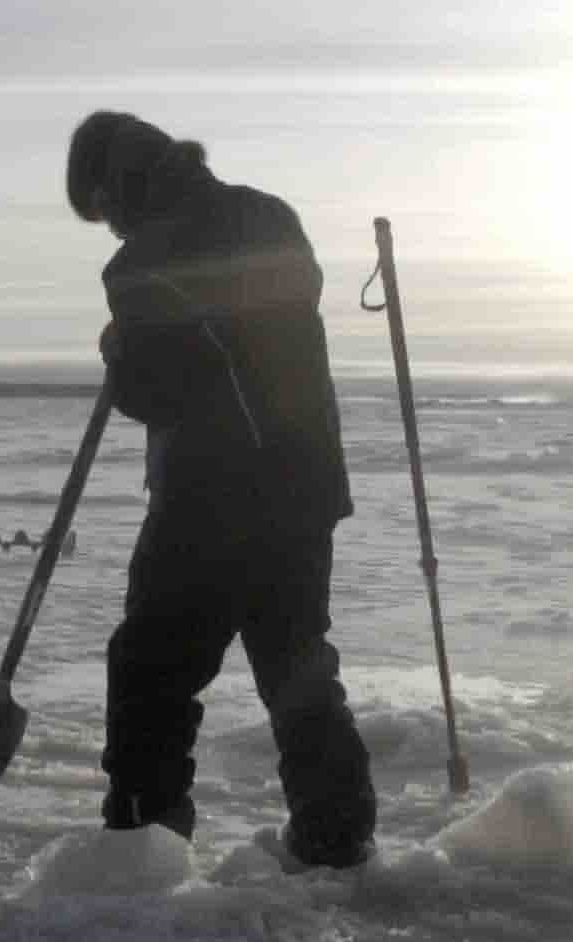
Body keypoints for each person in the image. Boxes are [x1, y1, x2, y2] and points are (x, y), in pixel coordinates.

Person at [66, 111, 376, 868]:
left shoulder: (142, 261)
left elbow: (155, 391)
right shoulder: (269, 214)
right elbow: (273, 323)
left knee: (150, 675)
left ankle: (144, 848)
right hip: (304, 488)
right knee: (296, 665)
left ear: (117, 187)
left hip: (209, 499)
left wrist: (118, 348)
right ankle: (337, 844)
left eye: (102, 210)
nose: (108, 230)